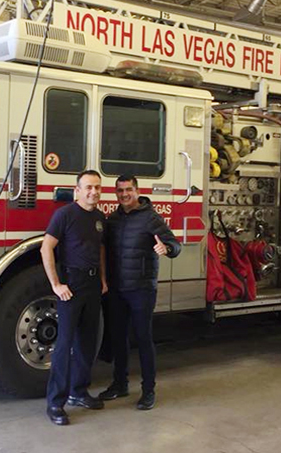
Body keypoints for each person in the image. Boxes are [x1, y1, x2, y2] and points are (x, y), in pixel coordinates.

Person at [99, 174, 181, 410]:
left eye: (128, 190)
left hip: (142, 289)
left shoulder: (151, 218)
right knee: (118, 338)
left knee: (144, 339)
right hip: (117, 289)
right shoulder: (112, 219)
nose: (124, 194)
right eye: (120, 190)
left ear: (137, 191)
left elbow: (175, 244)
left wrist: (167, 248)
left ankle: (148, 391)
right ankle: (120, 384)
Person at [40, 170, 108, 426]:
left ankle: (78, 393)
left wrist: (102, 278)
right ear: (77, 190)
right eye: (88, 187)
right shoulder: (65, 215)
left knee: (87, 343)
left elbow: (100, 248)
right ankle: (55, 403)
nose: (94, 192)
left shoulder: (100, 218)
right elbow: (47, 246)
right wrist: (56, 284)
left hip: (92, 284)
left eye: (98, 187)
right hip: (72, 283)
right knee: (65, 344)